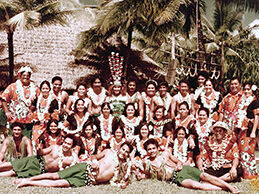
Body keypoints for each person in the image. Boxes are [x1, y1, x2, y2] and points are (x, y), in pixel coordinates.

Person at [136, 138, 239, 193]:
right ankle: (223, 188)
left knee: (205, 176)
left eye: (153, 148)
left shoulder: (166, 153)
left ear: (158, 148)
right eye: (149, 149)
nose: (152, 151)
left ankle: (229, 186)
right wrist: (141, 176)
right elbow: (149, 174)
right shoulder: (147, 162)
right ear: (146, 151)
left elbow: (178, 161)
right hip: (175, 178)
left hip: (184, 170)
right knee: (196, 185)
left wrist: (180, 164)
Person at [14, 142, 134, 189]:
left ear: (128, 155)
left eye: (126, 152)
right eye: (122, 149)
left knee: (59, 184)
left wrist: (124, 184)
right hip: (84, 168)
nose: (123, 153)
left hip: (88, 181)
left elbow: (125, 180)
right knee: (56, 176)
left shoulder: (124, 167)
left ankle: (28, 183)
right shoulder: (108, 152)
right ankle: (27, 178)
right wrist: (95, 162)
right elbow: (93, 157)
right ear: (119, 148)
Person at [0, 135, 77, 177]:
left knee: (14, 172)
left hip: (40, 170)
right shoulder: (55, 147)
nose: (65, 145)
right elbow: (41, 152)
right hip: (35, 160)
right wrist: (39, 149)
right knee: (12, 164)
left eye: (68, 144)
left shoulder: (71, 159)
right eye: (65, 142)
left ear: (72, 146)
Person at [1, 66, 40, 138]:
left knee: (26, 140)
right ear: (20, 76)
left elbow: (40, 100)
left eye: (27, 76)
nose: (26, 77)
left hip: (28, 120)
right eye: (24, 75)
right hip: (15, 119)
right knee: (13, 140)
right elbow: (3, 98)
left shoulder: (35, 88)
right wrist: (7, 112)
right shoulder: (13, 86)